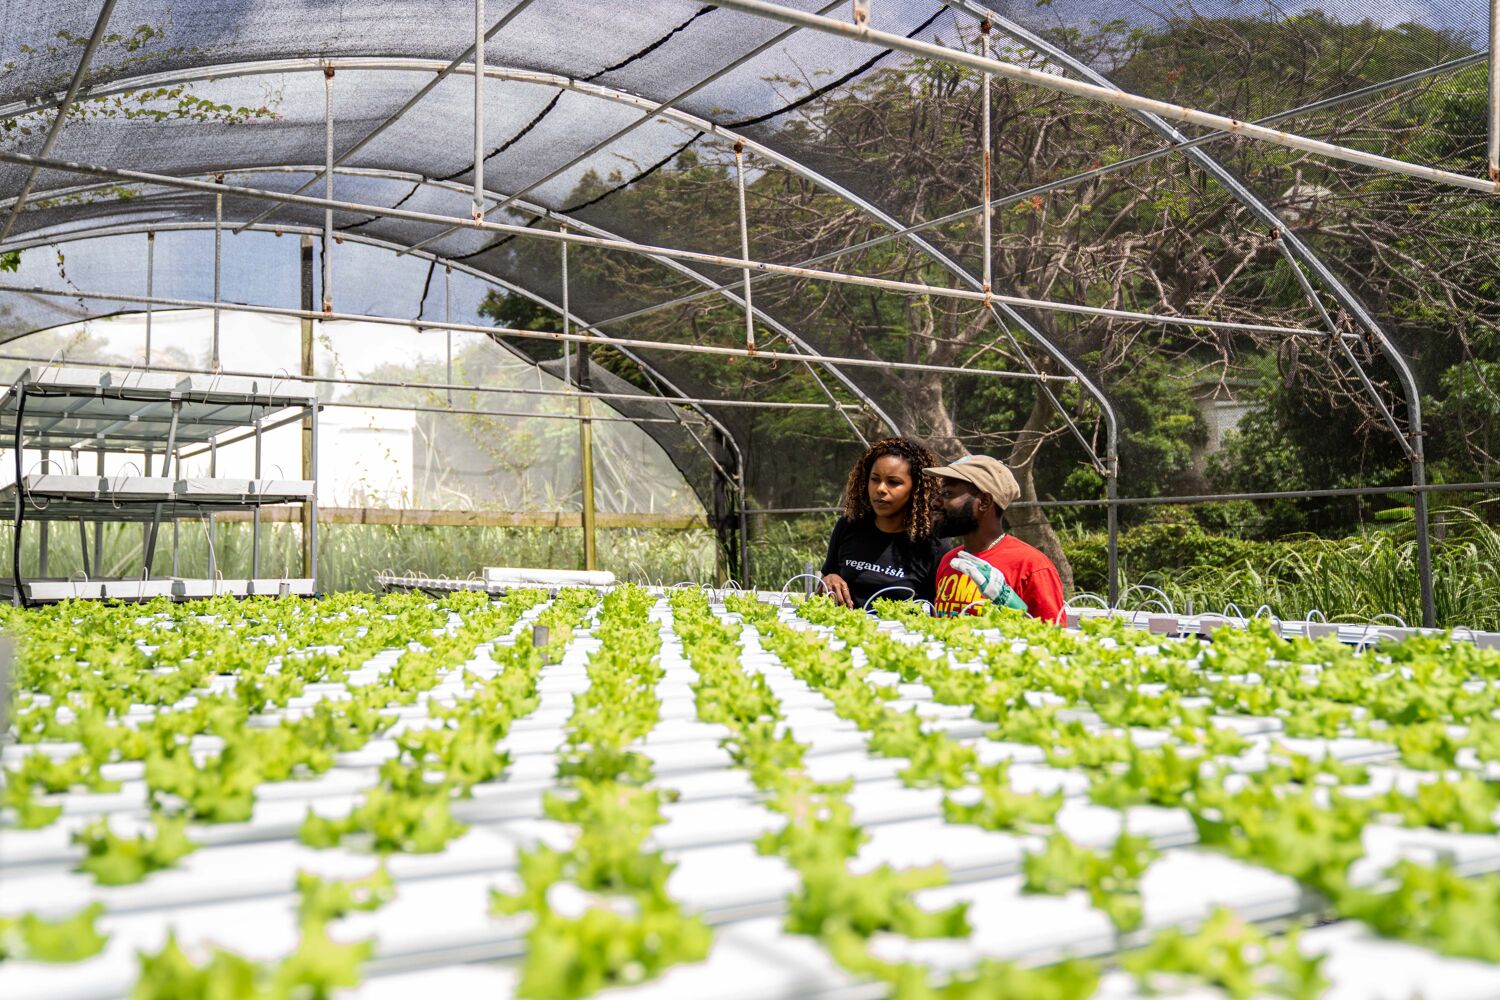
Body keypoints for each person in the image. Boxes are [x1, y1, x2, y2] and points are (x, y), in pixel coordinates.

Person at [925, 454, 1066, 623]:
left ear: (984, 502)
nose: (934, 502)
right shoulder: (949, 560)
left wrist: (1015, 607)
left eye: (948, 493)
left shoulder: (1032, 566)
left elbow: (1052, 639)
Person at [820, 437, 947, 609]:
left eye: (893, 482)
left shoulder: (933, 544)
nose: (880, 489)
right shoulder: (849, 525)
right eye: (875, 479)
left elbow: (935, 611)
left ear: (917, 488)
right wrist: (830, 578)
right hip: (844, 633)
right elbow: (825, 583)